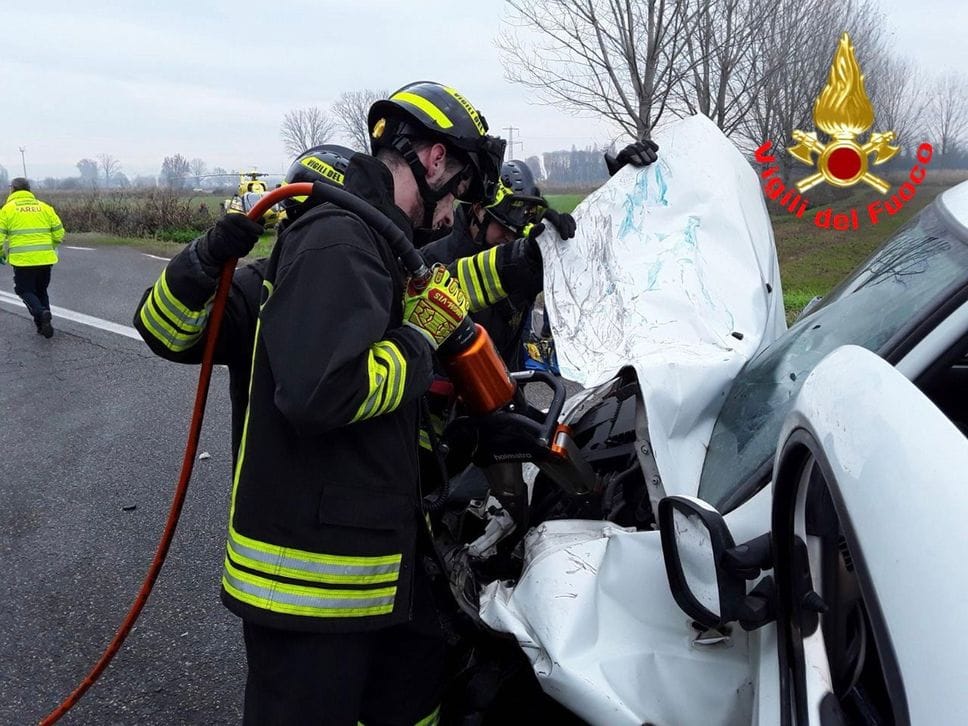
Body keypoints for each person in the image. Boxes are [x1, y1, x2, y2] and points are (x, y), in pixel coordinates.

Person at [223, 81, 505, 725]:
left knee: (416, 677)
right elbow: (322, 391)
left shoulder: (370, 241)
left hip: (362, 568)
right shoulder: (340, 241)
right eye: (461, 181)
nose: (457, 204)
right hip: (309, 589)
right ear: (435, 160)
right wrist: (417, 343)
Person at [133, 144, 355, 460]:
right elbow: (160, 329)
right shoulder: (255, 290)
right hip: (267, 491)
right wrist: (205, 257)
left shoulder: (378, 285)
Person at [0, 178, 65, 338]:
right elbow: (59, 233)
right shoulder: (45, 208)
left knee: (24, 290)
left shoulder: (7, 210)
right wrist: (50, 246)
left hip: (23, 261)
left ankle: (41, 312)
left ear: (13, 189)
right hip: (45, 259)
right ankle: (42, 325)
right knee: (41, 290)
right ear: (29, 190)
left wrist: (1, 253)